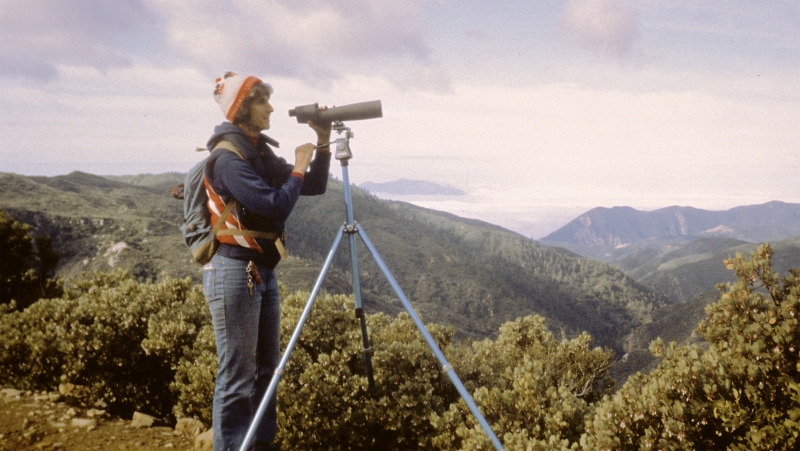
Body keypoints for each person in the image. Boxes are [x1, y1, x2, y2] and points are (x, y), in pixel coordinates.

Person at [202, 72, 331, 451]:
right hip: (232, 271)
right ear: (242, 108)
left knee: (265, 371)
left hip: (261, 271)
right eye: (261, 101)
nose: (270, 107)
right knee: (237, 375)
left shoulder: (257, 151)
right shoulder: (228, 158)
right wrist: (297, 165)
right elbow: (276, 204)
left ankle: (260, 445)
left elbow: (314, 186)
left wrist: (322, 144)